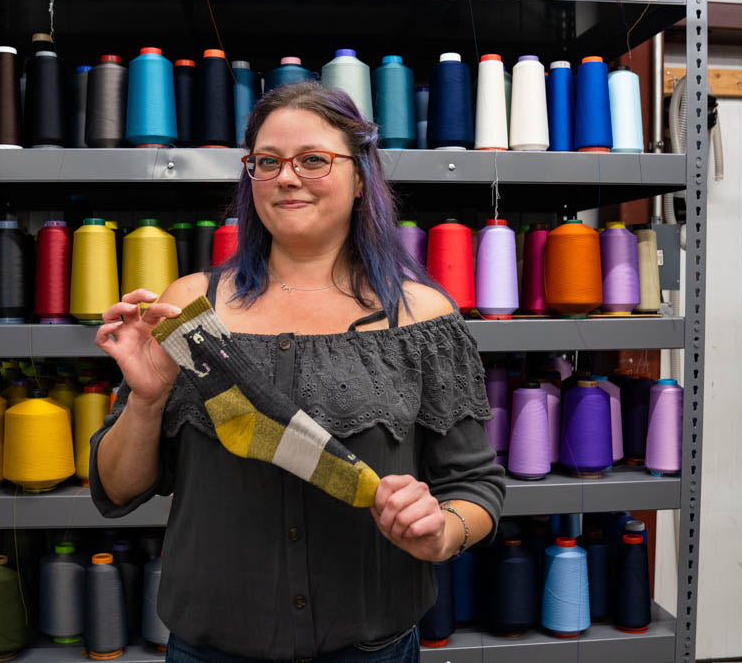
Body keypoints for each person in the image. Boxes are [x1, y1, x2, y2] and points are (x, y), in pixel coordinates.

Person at [90, 82, 505, 662]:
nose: (287, 178)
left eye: (313, 160)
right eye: (267, 162)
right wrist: (146, 399)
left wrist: (442, 532)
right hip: (211, 650)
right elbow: (117, 488)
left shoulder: (421, 317)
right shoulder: (191, 308)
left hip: (372, 650)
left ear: (360, 177)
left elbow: (477, 487)